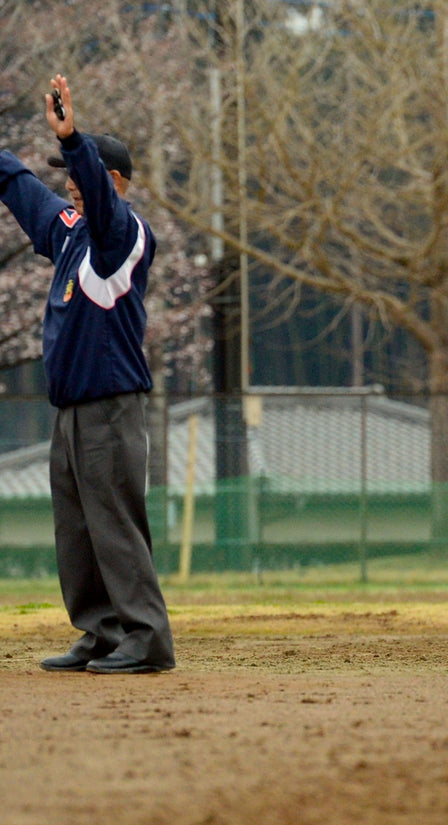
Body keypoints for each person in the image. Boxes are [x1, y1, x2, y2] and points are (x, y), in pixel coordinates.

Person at [0, 75, 174, 673]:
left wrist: (74, 139)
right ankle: (100, 632)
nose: (69, 181)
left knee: (115, 526)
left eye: (81, 172)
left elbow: (97, 203)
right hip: (71, 409)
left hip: (111, 405)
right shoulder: (69, 233)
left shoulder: (121, 234)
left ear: (112, 180)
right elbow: (24, 191)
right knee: (76, 532)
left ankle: (146, 638)